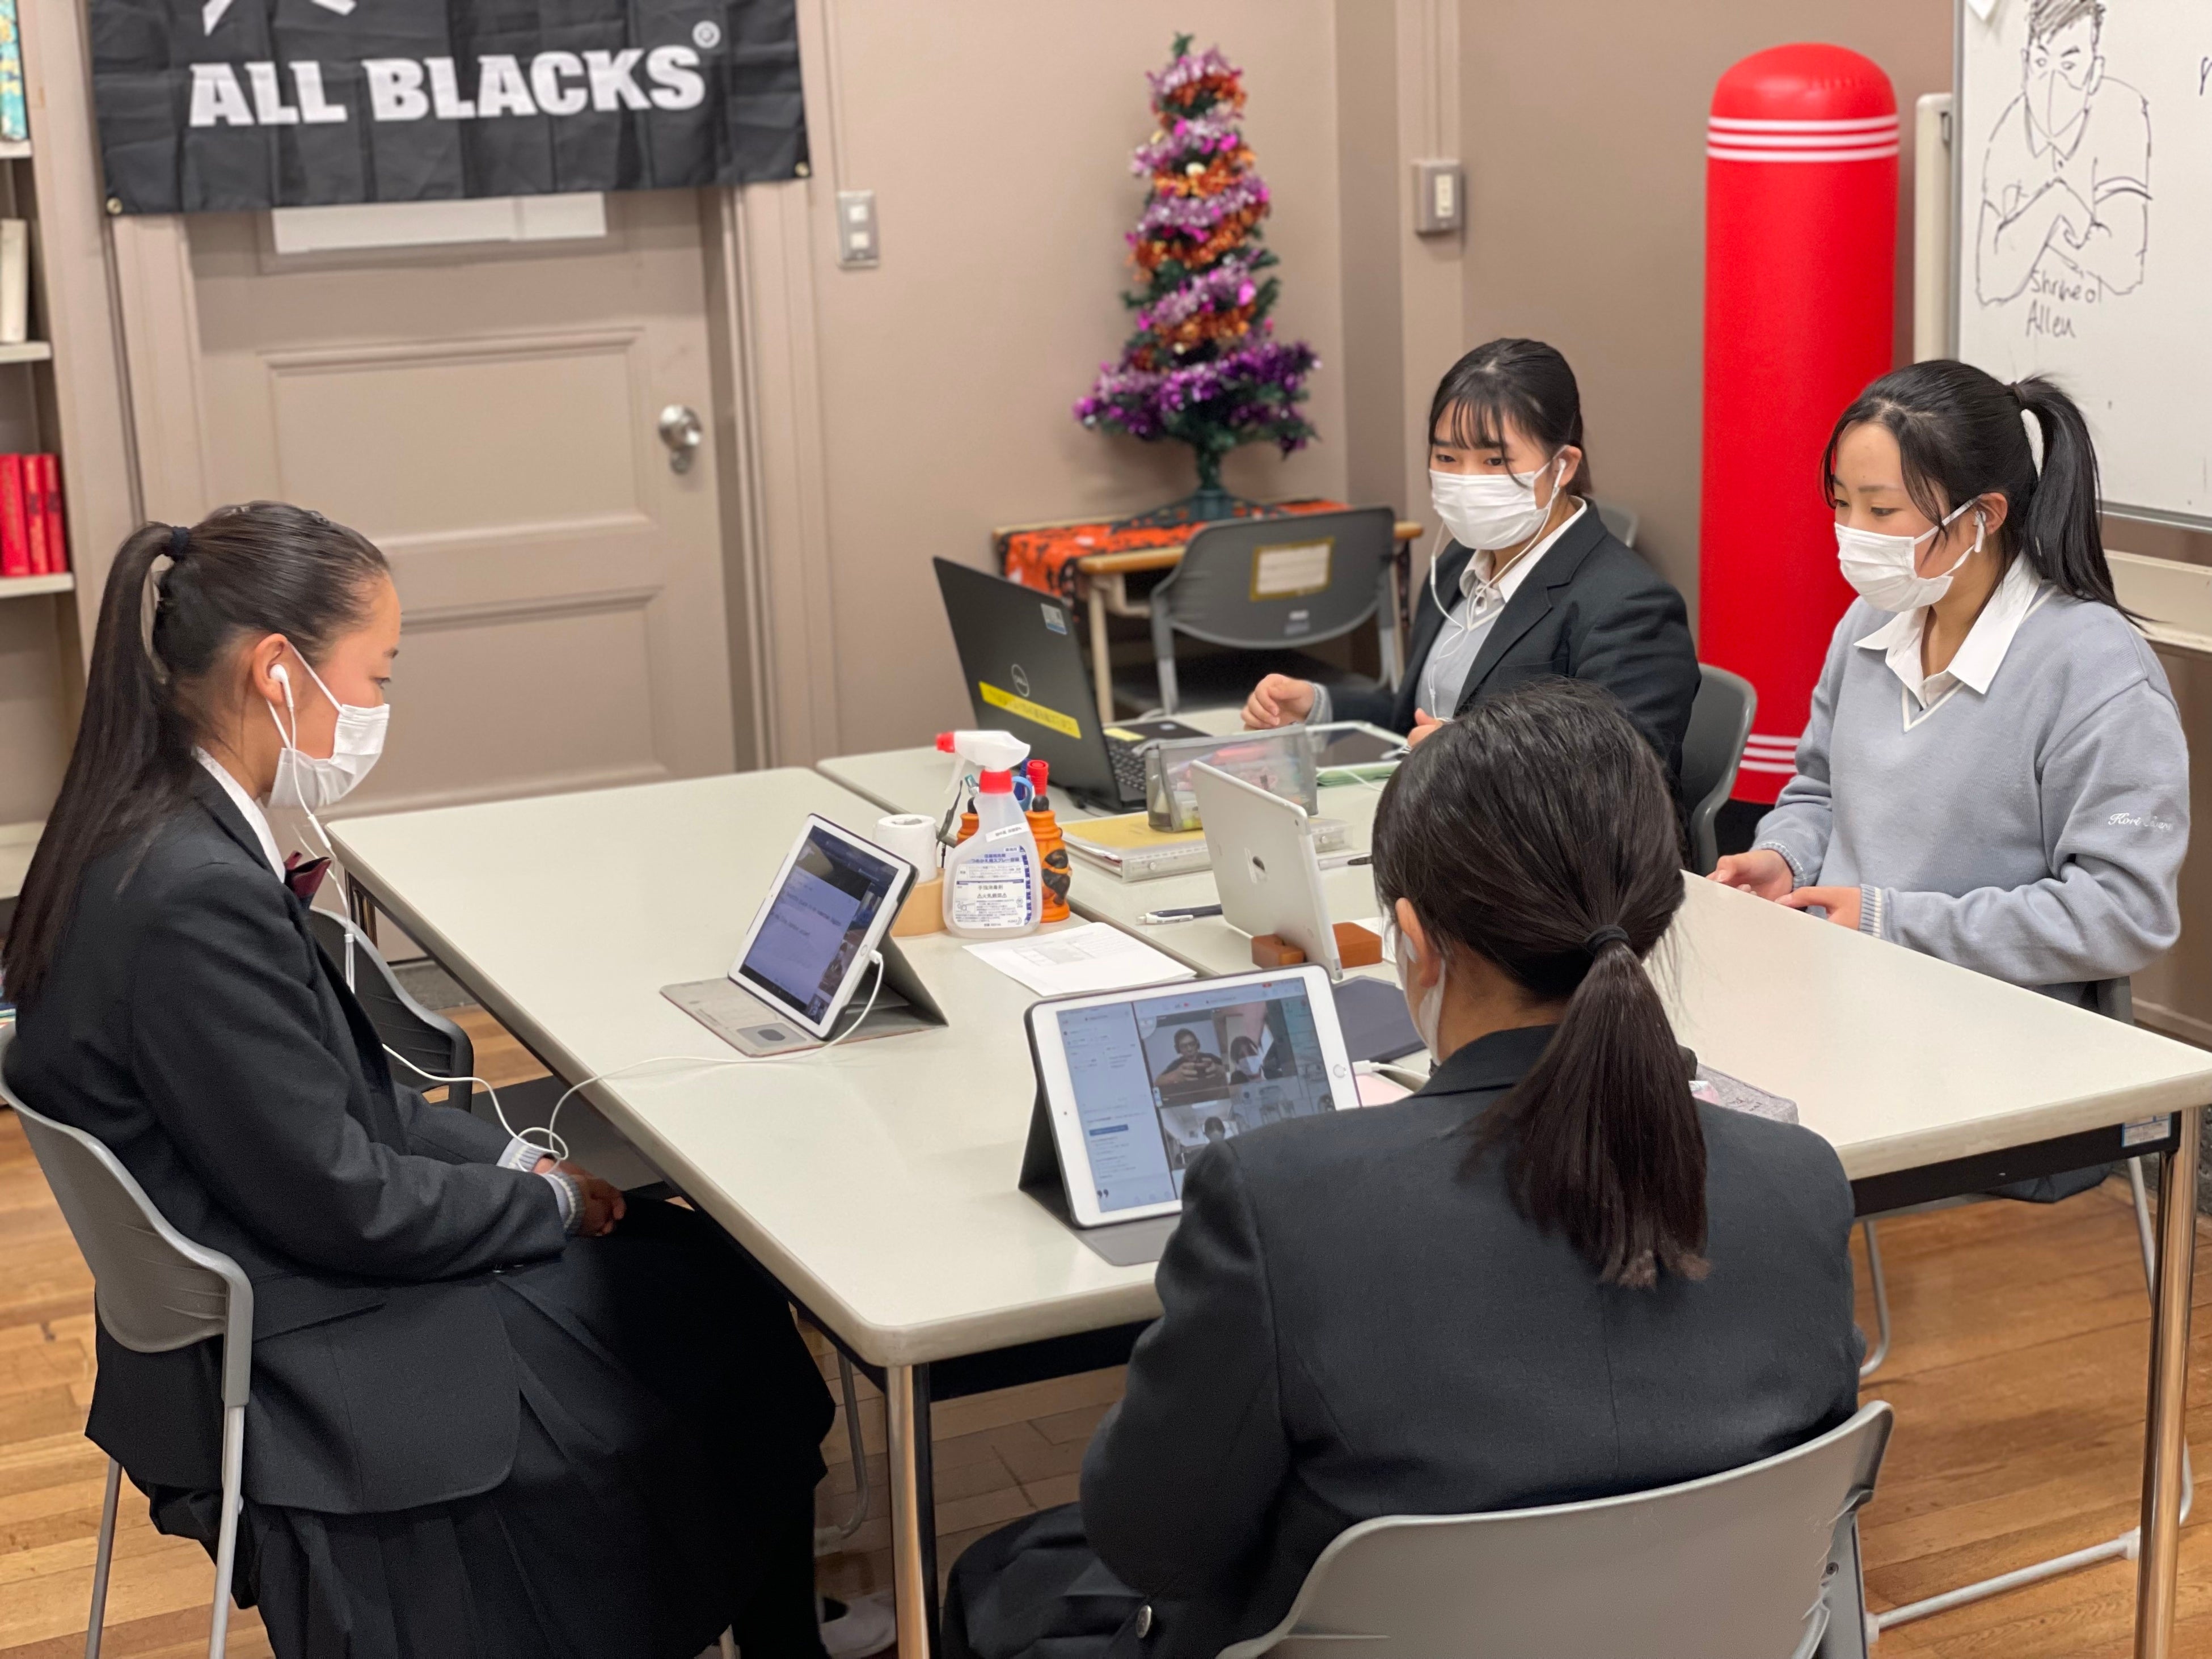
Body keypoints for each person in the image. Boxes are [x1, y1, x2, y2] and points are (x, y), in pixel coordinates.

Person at [0, 505, 834, 1659]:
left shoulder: (136, 823)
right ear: (277, 671)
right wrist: (546, 1204)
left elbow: (324, 1112)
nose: (377, 707)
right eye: (376, 675)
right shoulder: (192, 895)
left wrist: (517, 1161)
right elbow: (347, 1201)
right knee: (722, 1298)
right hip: (308, 1341)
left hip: (247, 1278)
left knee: (685, 1262)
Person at [945, 681, 1861, 1659]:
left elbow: (1153, 1544)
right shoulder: (1801, 1182)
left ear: (1416, 945)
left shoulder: (1281, 1210)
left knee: (996, 1576)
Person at [1710, 361, 2187, 1010]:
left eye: (1882, 509)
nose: (1853, 533)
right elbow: (1820, 792)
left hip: (1987, 1021)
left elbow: (2122, 913)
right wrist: (1785, 857)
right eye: (1842, 503)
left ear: (1983, 516)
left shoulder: (2098, 672)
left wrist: (1894, 924)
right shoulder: (1870, 621)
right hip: (1841, 987)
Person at [1240, 338, 1700, 786]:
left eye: (1495, 461)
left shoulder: (1628, 605)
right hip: (1433, 820)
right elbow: (1418, 721)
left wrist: (1471, 758)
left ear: (1563, 466)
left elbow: (1624, 780)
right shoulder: (1456, 567)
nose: (1466, 480)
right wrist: (1318, 707)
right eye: (1447, 457)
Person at [1974, 0, 2149, 306]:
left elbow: (2124, 266)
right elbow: (1991, 279)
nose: (2053, 81)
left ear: (2095, 73)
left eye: (2069, 67)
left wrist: (2025, 231)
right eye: (2041, 63)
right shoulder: (2008, 128)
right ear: (2025, 66)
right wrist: (2056, 203)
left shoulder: (2122, 112)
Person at [1152, 1026, 1228, 1096]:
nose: (1189, 1049)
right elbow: (1157, 1082)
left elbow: (1231, 1070)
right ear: (1178, 1049)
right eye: (1184, 1046)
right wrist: (1175, 1076)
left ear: (1197, 1044)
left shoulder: (1210, 1058)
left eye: (1192, 1044)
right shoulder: (1177, 1065)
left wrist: (1219, 1069)